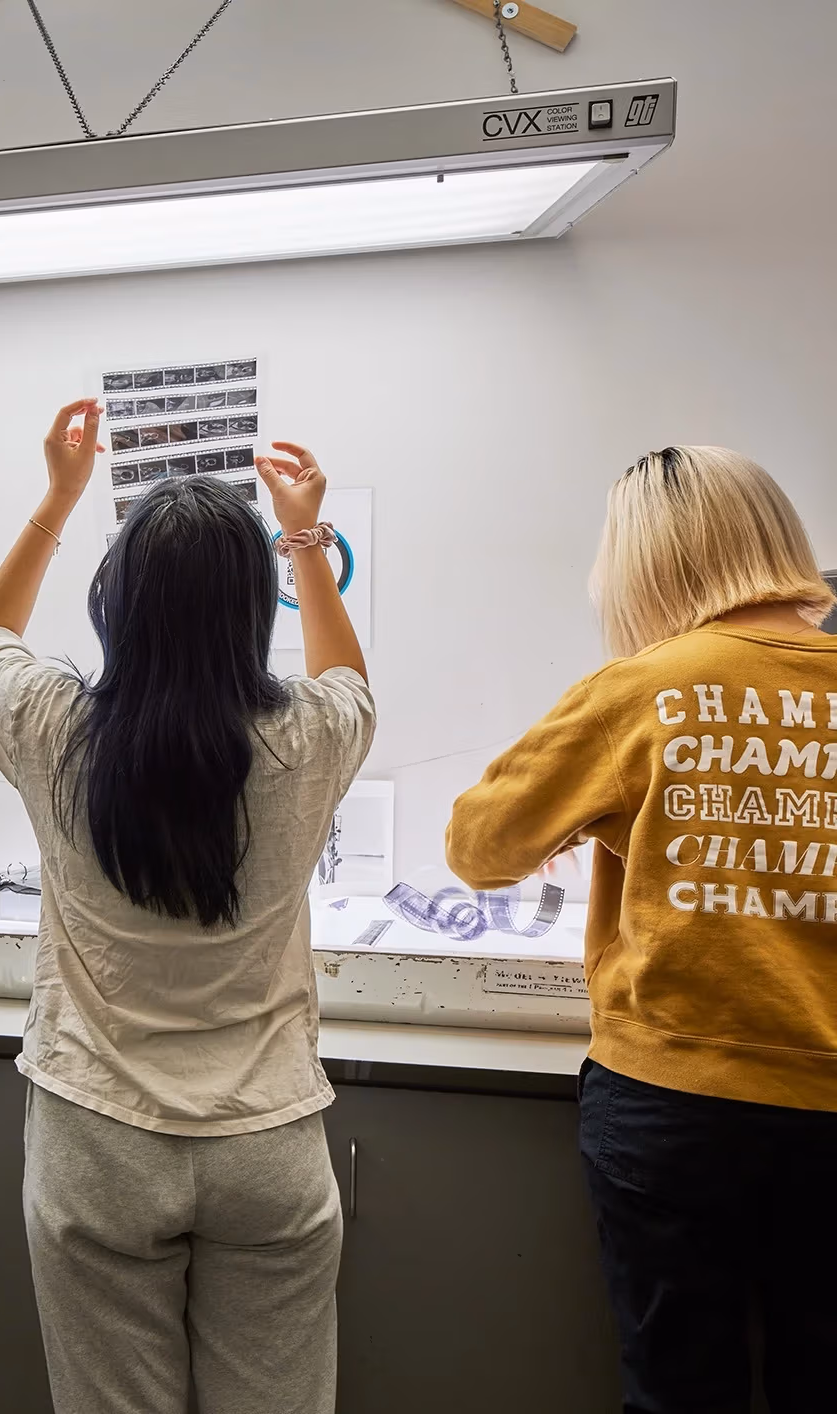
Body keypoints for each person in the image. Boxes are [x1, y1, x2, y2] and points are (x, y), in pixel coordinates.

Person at [0, 406, 374, 1414]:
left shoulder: (51, 727)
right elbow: (342, 676)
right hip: (266, 1139)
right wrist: (306, 541)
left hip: (97, 1137)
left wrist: (60, 496)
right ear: (252, 607)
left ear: (118, 602)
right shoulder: (309, 739)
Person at [446, 446, 837, 1414]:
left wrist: (599, 814)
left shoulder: (642, 688)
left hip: (673, 1101)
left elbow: (478, 847)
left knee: (676, 1390)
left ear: (645, 561)